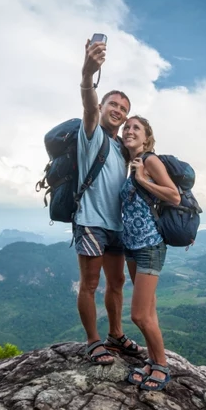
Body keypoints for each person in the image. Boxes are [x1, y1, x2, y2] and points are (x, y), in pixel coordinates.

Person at [76, 38, 141, 365]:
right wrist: (89, 75)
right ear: (103, 107)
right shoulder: (91, 134)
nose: (118, 111)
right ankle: (93, 341)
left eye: (124, 109)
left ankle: (116, 334)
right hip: (90, 221)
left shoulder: (120, 148)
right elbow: (88, 105)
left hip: (117, 226)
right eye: (113, 104)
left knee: (116, 283)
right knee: (89, 283)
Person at [120, 115, 181, 390]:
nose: (129, 130)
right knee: (150, 309)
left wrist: (143, 179)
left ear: (147, 137)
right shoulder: (127, 164)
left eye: (136, 128)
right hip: (131, 246)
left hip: (149, 245)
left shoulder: (150, 160)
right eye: (126, 127)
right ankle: (153, 360)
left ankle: (163, 367)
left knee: (139, 315)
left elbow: (174, 195)